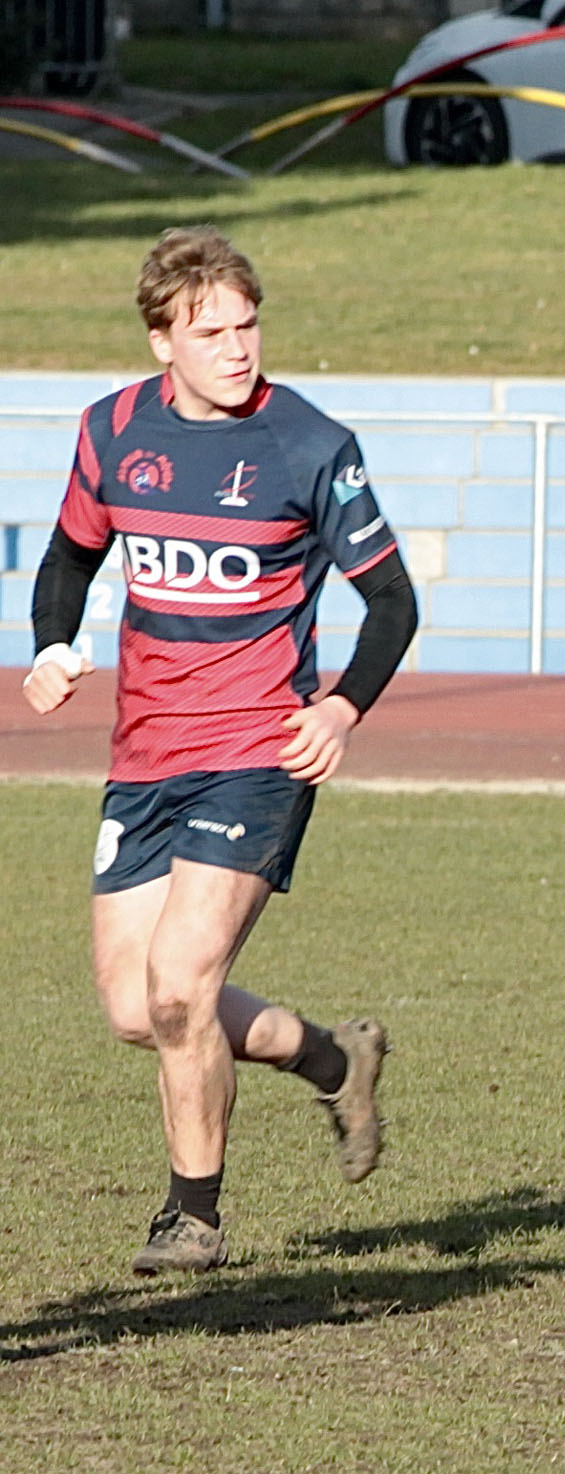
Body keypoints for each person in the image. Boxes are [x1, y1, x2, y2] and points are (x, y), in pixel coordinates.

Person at [21, 226, 420, 1275]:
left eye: (248, 326)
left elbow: (392, 599)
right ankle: (331, 1057)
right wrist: (53, 645)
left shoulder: (310, 444)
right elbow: (69, 555)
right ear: (163, 340)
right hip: (144, 753)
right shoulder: (113, 430)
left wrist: (341, 710)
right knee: (134, 1009)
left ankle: (191, 1216)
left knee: (179, 986)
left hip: (258, 750)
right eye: (212, 333)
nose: (238, 348)